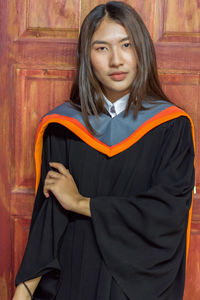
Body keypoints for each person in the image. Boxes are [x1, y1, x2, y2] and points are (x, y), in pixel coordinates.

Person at [13, 1, 195, 300]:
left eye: (126, 45)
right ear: (87, 56)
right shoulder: (65, 127)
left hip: (134, 286)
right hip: (74, 279)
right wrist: (23, 290)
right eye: (101, 48)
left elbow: (167, 213)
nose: (116, 61)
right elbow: (50, 216)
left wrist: (82, 203)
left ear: (142, 51)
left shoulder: (170, 127)